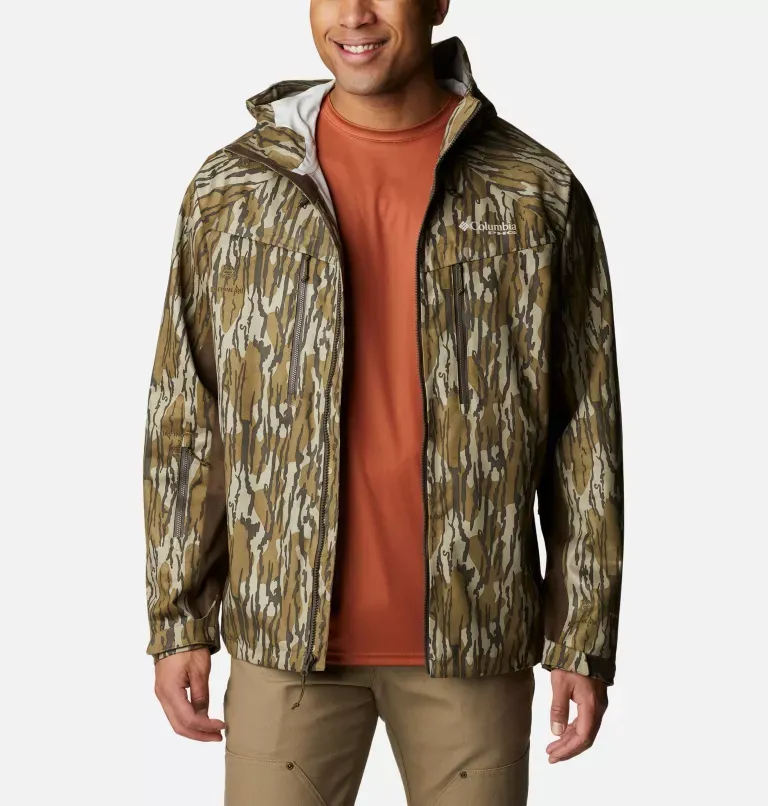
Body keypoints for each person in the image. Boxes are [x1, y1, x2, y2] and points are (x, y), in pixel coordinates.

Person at [142, 1, 624, 803]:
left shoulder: (534, 190)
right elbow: (186, 414)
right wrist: (178, 619)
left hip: (473, 637)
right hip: (283, 639)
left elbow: (586, 433)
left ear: (437, 2)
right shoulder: (233, 191)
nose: (355, 14)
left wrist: (582, 635)